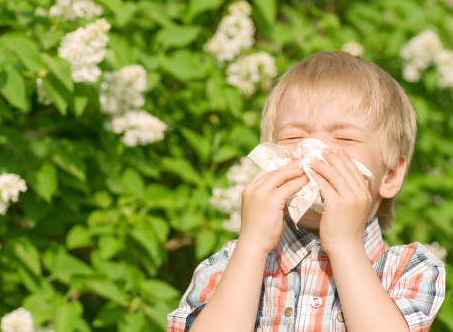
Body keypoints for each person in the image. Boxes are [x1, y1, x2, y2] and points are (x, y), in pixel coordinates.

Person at [167, 51, 445, 332]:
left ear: (391, 175)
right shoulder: (231, 263)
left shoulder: (409, 269)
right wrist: (252, 246)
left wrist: (345, 246)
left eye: (344, 137)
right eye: (293, 137)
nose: (312, 151)